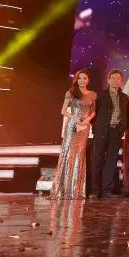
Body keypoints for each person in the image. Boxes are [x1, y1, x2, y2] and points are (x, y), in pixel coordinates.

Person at [50, 69, 96, 200]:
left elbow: (93, 112)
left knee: (79, 155)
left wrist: (87, 120)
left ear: (88, 80)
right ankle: (64, 189)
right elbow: (63, 111)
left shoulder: (92, 94)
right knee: (69, 154)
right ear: (76, 79)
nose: (82, 80)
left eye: (85, 78)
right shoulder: (71, 92)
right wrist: (74, 117)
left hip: (84, 127)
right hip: (72, 126)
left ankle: (76, 190)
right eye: (80, 78)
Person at [91, 70, 128, 199]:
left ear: (121, 81)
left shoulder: (124, 97)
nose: (116, 80)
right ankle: (95, 190)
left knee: (111, 162)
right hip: (102, 131)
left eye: (118, 78)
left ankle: (106, 190)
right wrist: (96, 128)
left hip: (115, 131)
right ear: (108, 80)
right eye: (113, 78)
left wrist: (122, 129)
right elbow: (93, 113)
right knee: (97, 160)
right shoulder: (101, 95)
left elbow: (125, 115)